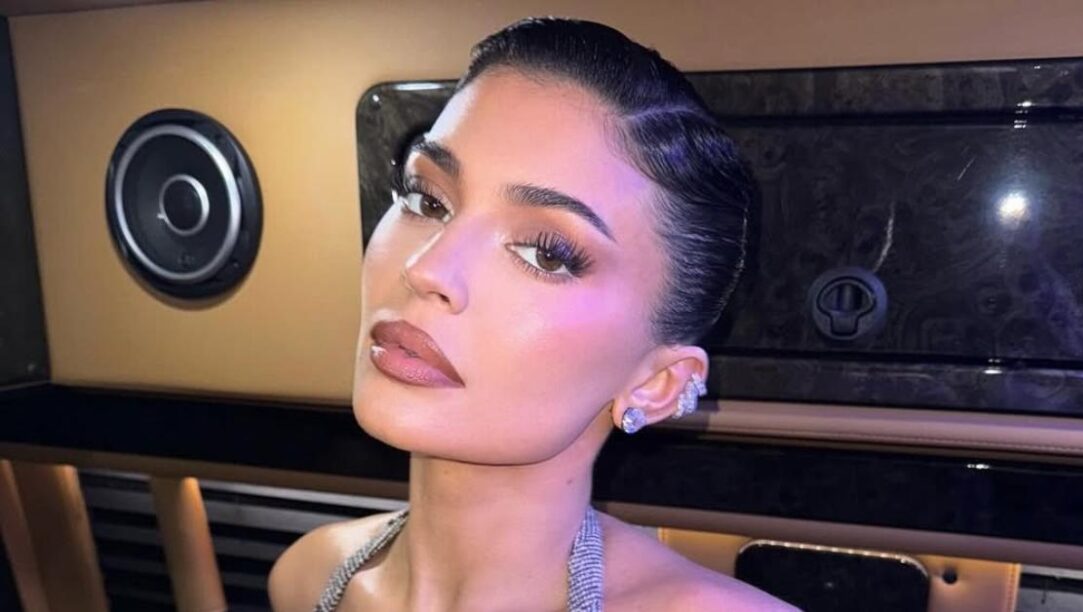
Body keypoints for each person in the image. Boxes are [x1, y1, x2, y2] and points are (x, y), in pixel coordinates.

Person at [269, 16, 797, 611]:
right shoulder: (305, 577)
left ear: (656, 384)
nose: (426, 268)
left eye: (546, 254)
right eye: (427, 200)